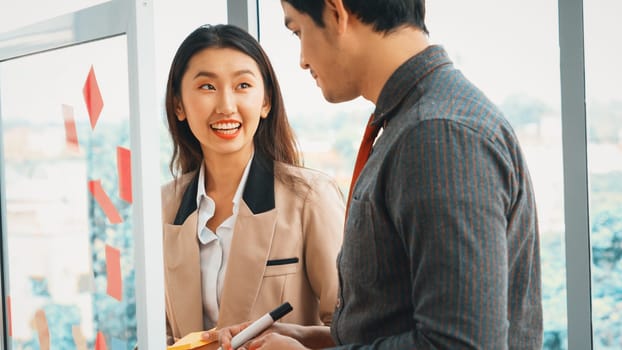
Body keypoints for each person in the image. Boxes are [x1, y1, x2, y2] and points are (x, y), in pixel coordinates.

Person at [217, 0, 543, 349]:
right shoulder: (416, 122)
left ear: (336, 12)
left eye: (299, 31)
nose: (302, 60)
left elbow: (459, 345)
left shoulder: (438, 134)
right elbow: (401, 322)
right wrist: (313, 339)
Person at [160, 24, 344, 346]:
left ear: (265, 101)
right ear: (179, 105)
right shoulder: (162, 206)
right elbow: (158, 331)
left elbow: (357, 332)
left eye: (243, 85)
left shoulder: (310, 198)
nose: (226, 106)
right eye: (207, 87)